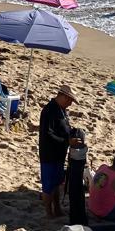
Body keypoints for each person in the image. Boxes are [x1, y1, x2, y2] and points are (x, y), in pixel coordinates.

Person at [39, 86, 78, 218]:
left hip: (59, 153)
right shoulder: (49, 110)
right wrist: (67, 141)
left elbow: (63, 128)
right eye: (70, 100)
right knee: (48, 186)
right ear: (63, 97)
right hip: (49, 154)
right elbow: (47, 134)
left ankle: (57, 208)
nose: (70, 104)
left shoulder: (61, 110)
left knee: (57, 183)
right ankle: (49, 212)